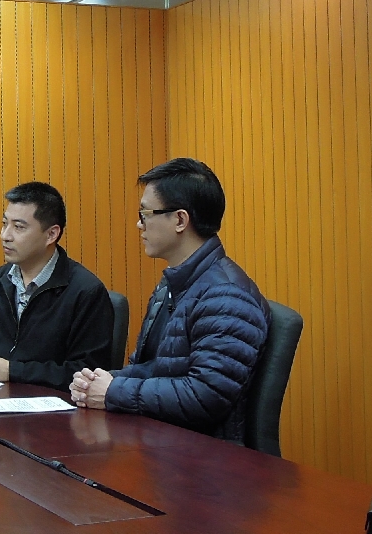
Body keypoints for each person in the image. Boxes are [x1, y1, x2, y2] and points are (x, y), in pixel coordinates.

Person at [70, 158, 268, 440]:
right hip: (162, 439)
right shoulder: (174, 282)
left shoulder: (226, 295)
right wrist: (101, 381)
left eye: (145, 214)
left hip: (204, 454)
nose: (139, 225)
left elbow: (206, 395)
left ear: (179, 220)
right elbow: (157, 367)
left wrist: (114, 391)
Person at [0, 182, 115, 393]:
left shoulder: (85, 291)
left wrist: (13, 371)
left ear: (51, 234)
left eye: (19, 227)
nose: (5, 235)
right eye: (4, 224)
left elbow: (88, 374)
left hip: (54, 409)